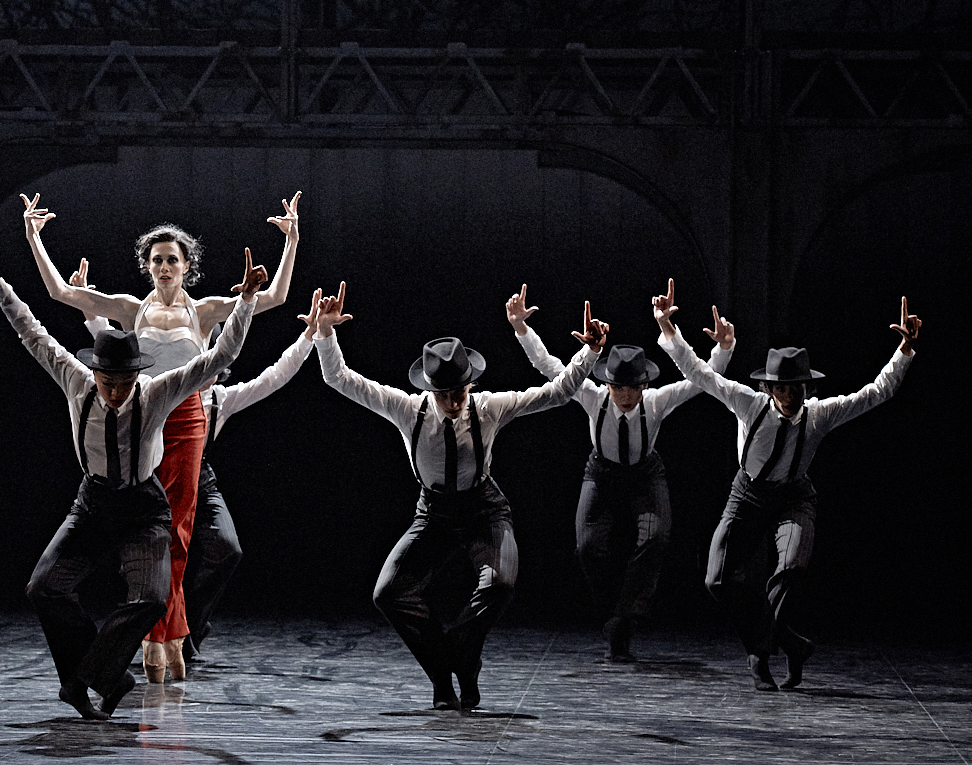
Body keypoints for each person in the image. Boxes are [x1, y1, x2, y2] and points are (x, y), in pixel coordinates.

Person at [0, 228, 266, 720]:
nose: (115, 389)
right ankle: (99, 676)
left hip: (143, 507)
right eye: (107, 379)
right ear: (95, 372)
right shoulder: (75, 381)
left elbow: (221, 357)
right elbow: (31, 331)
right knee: (44, 588)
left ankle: (96, 675)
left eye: (125, 380)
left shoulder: (157, 392)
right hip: (92, 504)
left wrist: (247, 302)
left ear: (137, 375)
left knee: (150, 599)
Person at [19, 191, 301, 680]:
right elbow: (61, 293)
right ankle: (164, 636)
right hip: (142, 416)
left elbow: (274, 297)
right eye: (157, 260)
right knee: (149, 532)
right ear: (147, 266)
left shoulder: (205, 311)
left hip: (188, 418)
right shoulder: (131, 310)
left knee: (179, 530)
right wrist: (33, 238)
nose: (164, 267)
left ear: (187, 266)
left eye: (172, 259)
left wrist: (291, 240)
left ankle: (162, 638)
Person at [309, 282, 607, 711]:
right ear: (429, 389)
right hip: (433, 513)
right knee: (388, 593)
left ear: (470, 384)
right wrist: (325, 333)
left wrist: (590, 353)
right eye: (443, 394)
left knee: (501, 583)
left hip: (483, 507)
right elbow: (339, 379)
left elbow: (557, 393)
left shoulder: (489, 407)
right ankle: (443, 673)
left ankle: (461, 655)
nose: (452, 401)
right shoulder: (407, 409)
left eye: (459, 392)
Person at [654, 282, 920, 691]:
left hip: (794, 498)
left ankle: (759, 657)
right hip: (747, 494)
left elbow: (875, 393)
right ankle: (792, 645)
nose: (789, 395)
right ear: (769, 388)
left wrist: (904, 350)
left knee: (791, 567)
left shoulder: (820, 415)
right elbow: (699, 374)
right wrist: (668, 328)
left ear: (806, 388)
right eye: (781, 387)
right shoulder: (748, 403)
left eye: (796, 388)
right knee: (716, 580)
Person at [70, 261, 322, 663]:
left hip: (199, 478)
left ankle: (186, 626)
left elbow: (274, 377)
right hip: (154, 476)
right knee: (155, 553)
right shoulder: (156, 393)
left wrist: (309, 337)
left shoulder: (220, 399)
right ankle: (157, 632)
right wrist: (89, 305)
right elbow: (115, 354)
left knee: (226, 548)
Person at [505, 282, 735, 661]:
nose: (625, 395)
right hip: (601, 473)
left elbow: (702, 381)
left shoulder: (657, 401)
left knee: (656, 537)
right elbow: (548, 366)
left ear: (644, 385)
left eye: (633, 388)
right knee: (586, 547)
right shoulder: (593, 397)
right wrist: (521, 328)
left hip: (645, 474)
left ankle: (624, 617)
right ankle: (615, 612)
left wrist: (723, 349)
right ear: (607, 383)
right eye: (618, 387)